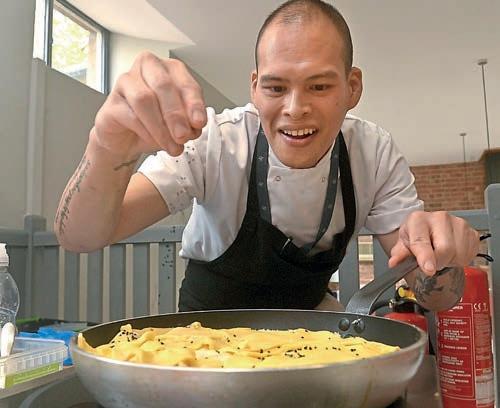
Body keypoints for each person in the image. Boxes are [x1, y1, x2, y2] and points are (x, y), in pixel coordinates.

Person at [55, 0, 479, 312]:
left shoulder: (373, 154)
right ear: (255, 87)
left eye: (319, 86)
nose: (295, 108)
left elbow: (435, 296)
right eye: (276, 88)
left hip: (310, 330)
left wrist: (442, 264)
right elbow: (79, 237)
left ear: (353, 87)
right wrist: (106, 145)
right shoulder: (215, 142)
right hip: (204, 337)